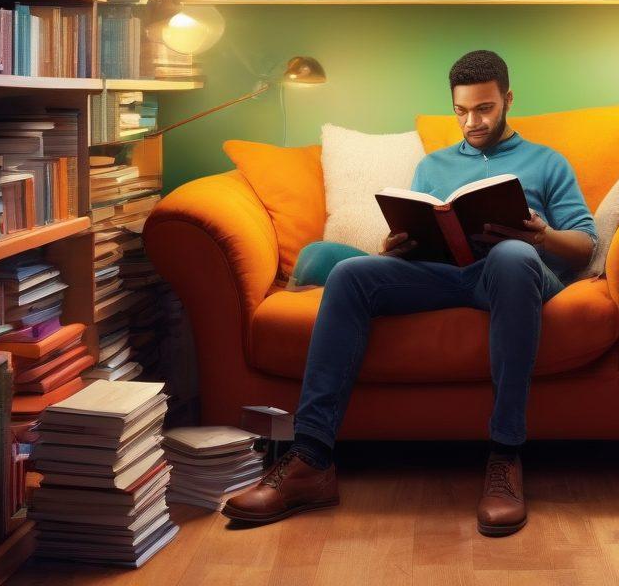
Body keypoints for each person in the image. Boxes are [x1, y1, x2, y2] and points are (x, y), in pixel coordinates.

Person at [223, 49, 598, 536]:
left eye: (484, 109)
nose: (472, 122)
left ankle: (505, 457)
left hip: (515, 275)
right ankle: (311, 459)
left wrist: (541, 235)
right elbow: (426, 223)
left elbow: (586, 243)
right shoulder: (435, 165)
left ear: (507, 100)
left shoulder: (546, 162)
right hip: (445, 275)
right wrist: (398, 246)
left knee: (512, 257)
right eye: (461, 111)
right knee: (352, 273)